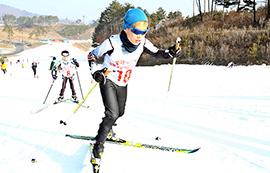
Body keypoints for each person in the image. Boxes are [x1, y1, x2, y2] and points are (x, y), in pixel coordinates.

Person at [87, 8, 181, 164]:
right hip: (108, 80)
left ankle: (108, 130)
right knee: (112, 114)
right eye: (136, 31)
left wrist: (170, 53)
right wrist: (96, 72)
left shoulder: (143, 42)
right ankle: (98, 146)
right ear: (126, 28)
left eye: (144, 31)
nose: (140, 35)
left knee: (120, 112)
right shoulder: (112, 43)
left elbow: (157, 52)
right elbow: (92, 55)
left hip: (123, 82)